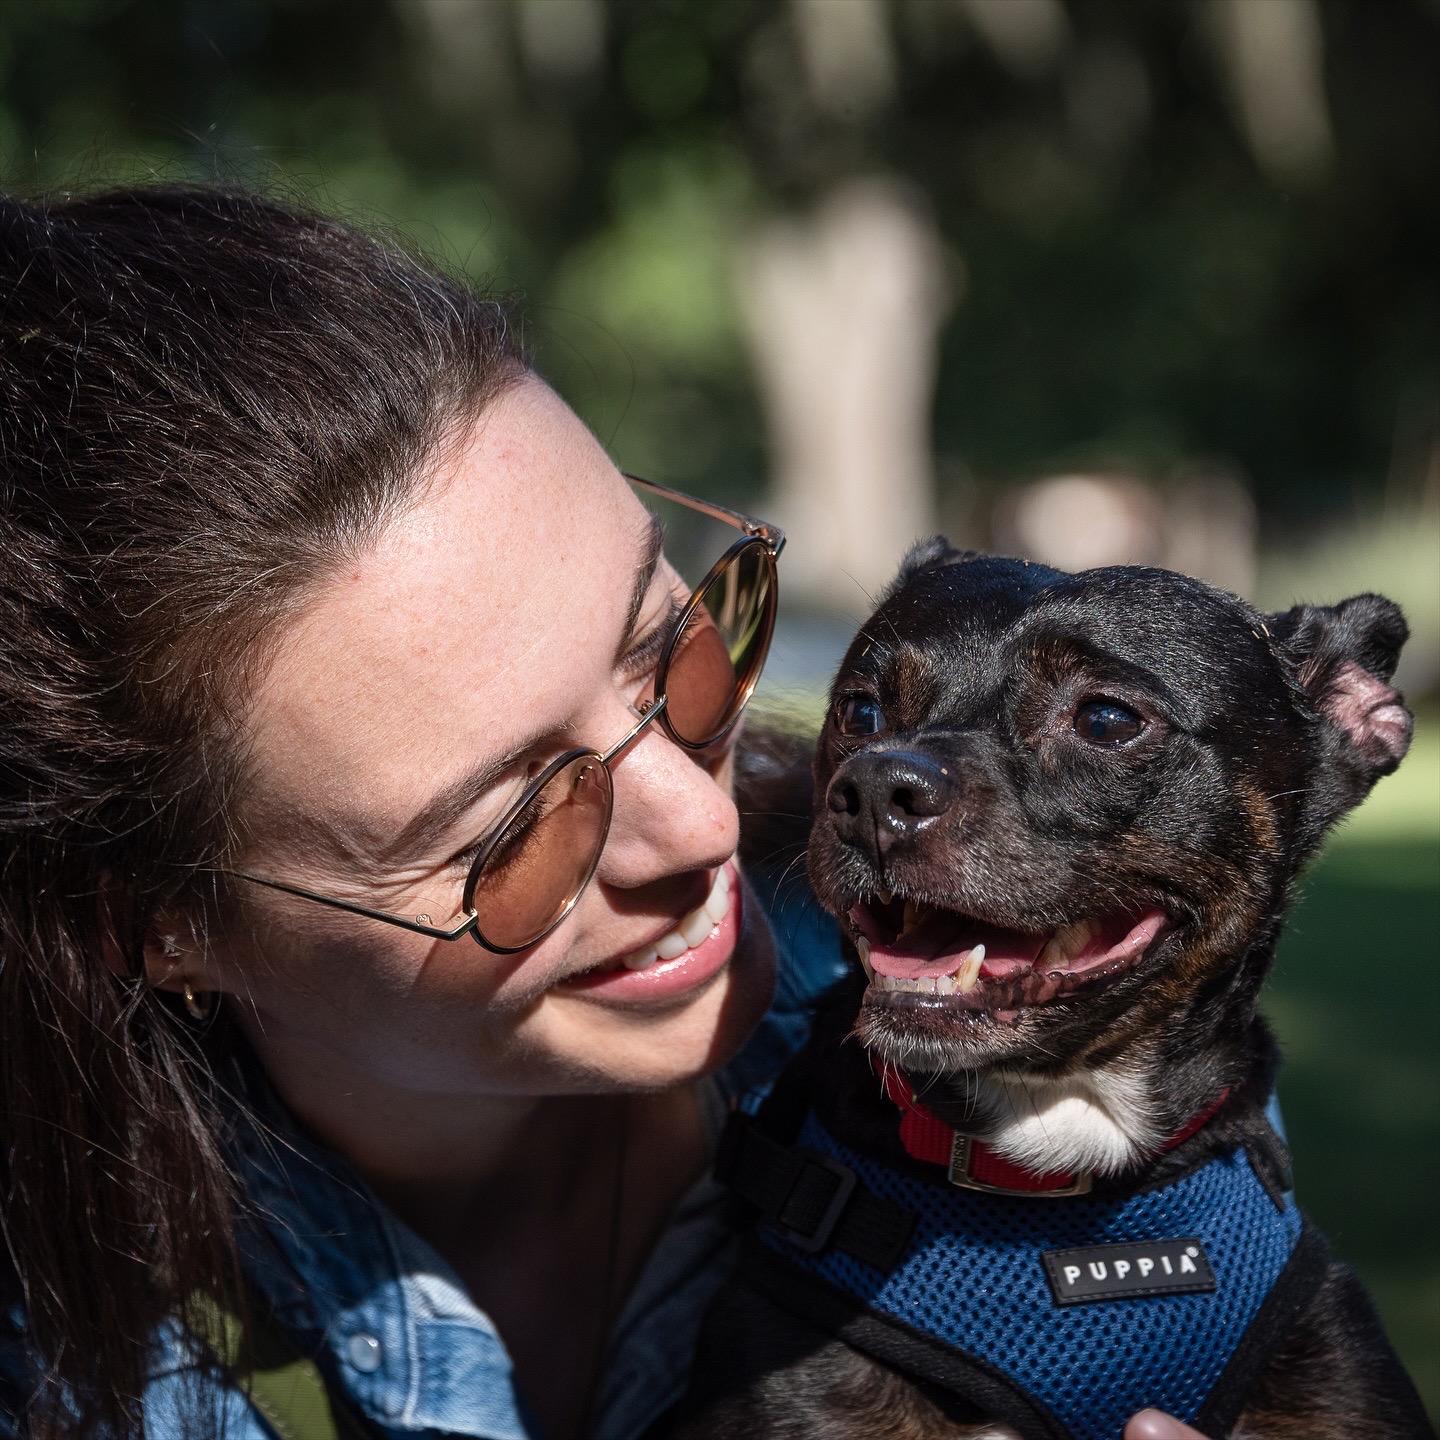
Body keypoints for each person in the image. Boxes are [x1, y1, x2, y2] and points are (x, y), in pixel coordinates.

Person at [0, 185, 1210, 1440]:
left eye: (673, 654)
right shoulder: (64, 1362)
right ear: (161, 924)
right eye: (515, 823)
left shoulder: (1023, 1006)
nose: (699, 825)